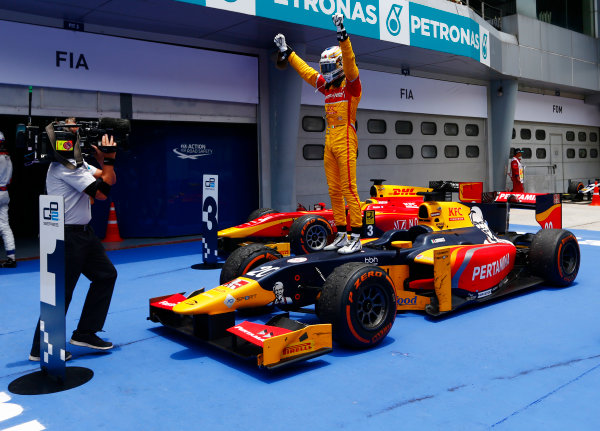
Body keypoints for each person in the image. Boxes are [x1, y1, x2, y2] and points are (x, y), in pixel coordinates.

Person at [29, 118, 118, 361]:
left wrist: (104, 160)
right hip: (65, 235)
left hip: (83, 233)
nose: (78, 131)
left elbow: (108, 180)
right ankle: (41, 347)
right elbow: (101, 193)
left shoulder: (78, 165)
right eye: (72, 127)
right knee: (61, 292)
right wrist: (108, 160)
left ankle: (85, 333)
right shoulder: (66, 166)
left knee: (106, 275)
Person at [274, 13, 363, 254]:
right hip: (330, 139)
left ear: (339, 66)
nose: (324, 72)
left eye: (328, 67)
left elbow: (350, 60)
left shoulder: (351, 85)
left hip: (346, 136)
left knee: (349, 189)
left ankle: (356, 237)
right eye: (323, 68)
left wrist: (342, 33)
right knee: (334, 190)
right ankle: (343, 234)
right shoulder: (327, 86)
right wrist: (288, 52)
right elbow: (306, 72)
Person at [0, 131, 16, 268]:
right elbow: (9, 179)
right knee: (5, 226)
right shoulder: (7, 157)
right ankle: (11, 257)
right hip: (4, 192)